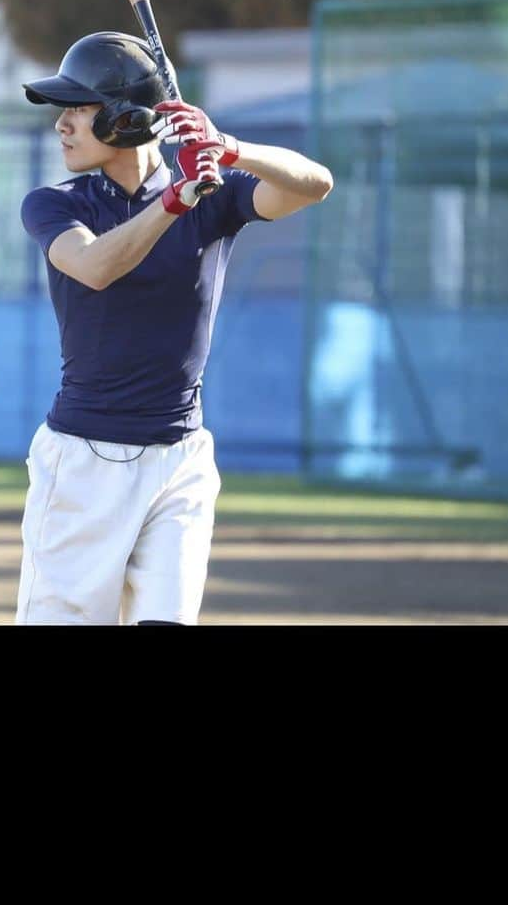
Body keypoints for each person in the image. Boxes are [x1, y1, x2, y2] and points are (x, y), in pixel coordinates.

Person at [17, 31, 333, 625]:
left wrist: (229, 147)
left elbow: (315, 184)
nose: (62, 124)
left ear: (127, 120)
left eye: (79, 109)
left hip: (181, 458)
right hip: (85, 460)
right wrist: (176, 201)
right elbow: (96, 267)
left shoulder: (215, 195)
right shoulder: (54, 203)